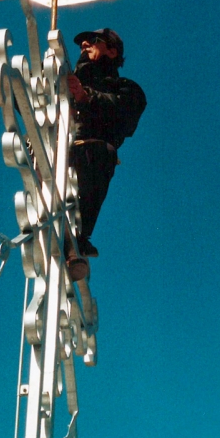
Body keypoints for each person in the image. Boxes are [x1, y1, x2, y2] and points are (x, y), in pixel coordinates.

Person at [65, 28, 147, 281]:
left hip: (90, 154)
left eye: (94, 40)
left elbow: (123, 114)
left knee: (101, 153)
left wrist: (85, 96)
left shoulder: (127, 89)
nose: (85, 43)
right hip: (55, 149)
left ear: (112, 51)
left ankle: (75, 240)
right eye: (82, 42)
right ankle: (55, 231)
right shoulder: (63, 79)